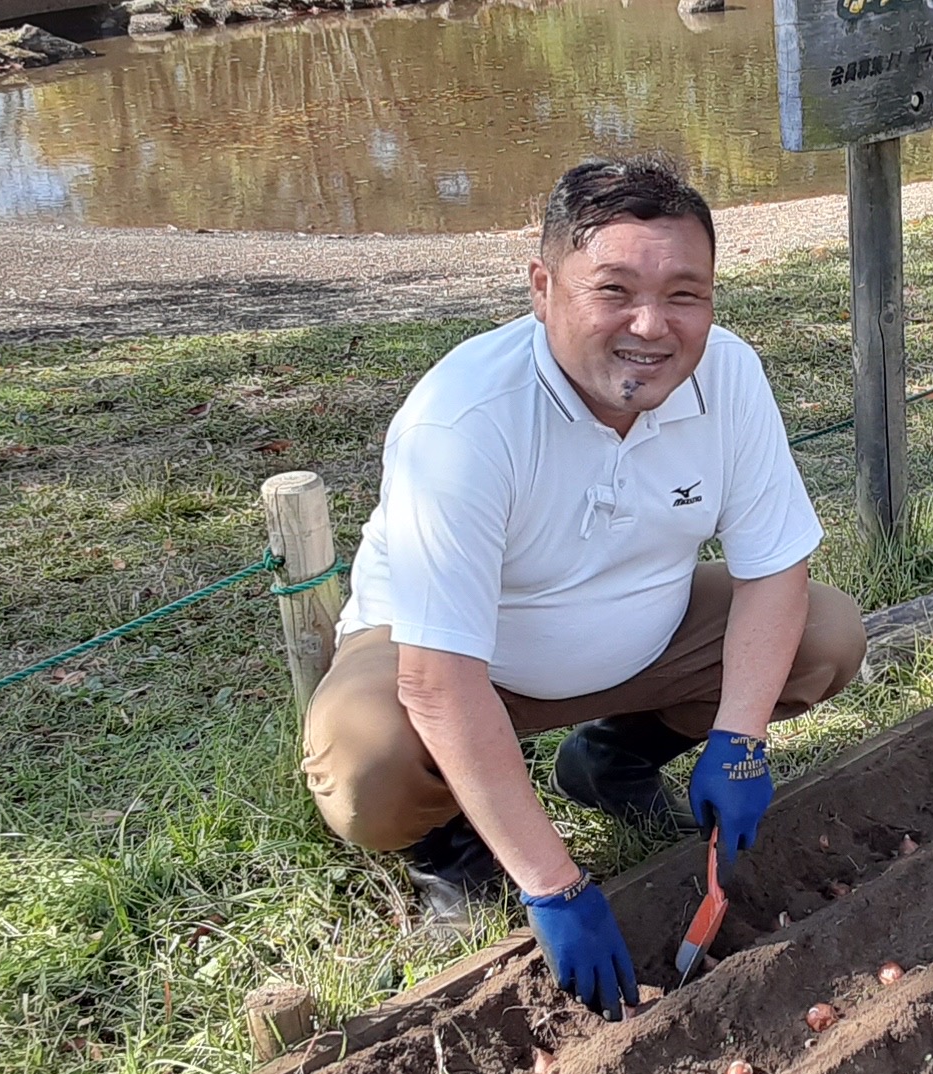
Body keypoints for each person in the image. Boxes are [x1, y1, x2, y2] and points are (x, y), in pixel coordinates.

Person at [302, 152, 867, 1023]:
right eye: (613, 291)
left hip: (645, 634)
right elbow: (437, 681)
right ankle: (450, 847)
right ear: (542, 288)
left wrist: (740, 739)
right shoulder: (464, 421)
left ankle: (612, 758)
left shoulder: (728, 375)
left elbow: (772, 569)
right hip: (472, 663)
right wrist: (555, 885)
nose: (651, 326)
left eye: (684, 294)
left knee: (824, 634)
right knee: (364, 764)